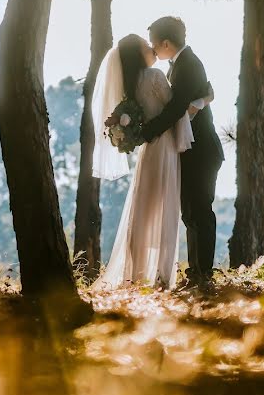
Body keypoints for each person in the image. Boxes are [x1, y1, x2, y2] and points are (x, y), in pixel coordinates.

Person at [91, 33, 209, 290]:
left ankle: (135, 273)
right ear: (137, 54)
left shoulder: (130, 85)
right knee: (165, 207)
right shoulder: (155, 77)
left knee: (144, 209)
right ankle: (161, 276)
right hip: (165, 146)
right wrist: (203, 100)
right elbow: (176, 110)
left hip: (149, 150)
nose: (152, 48)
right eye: (147, 46)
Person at [142, 17, 225, 291]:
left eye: (155, 44)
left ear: (166, 43)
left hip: (202, 151)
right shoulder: (177, 66)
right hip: (190, 151)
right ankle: (196, 273)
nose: (154, 50)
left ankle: (203, 275)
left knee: (200, 210)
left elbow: (177, 108)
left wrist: (148, 131)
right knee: (190, 213)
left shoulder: (189, 64)